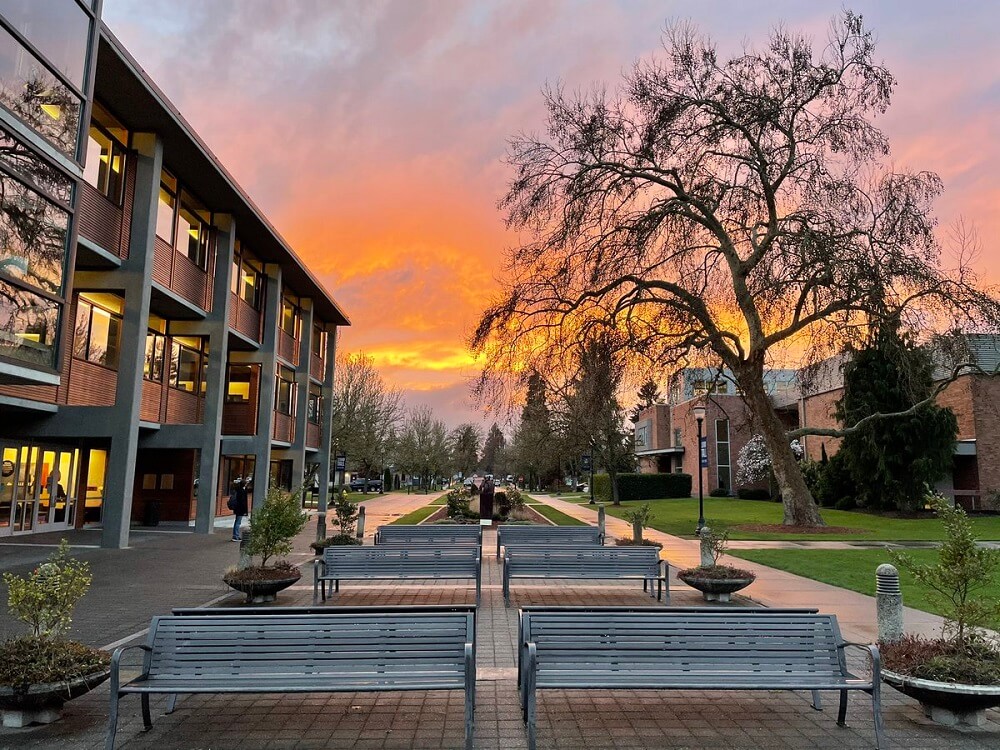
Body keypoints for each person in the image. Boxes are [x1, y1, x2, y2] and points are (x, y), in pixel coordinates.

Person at [230, 477, 249, 542]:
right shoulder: (242, 491)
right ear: (245, 484)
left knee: (237, 522)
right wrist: (245, 511)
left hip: (238, 509)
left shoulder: (238, 490)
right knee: (238, 522)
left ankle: (236, 535)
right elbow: (243, 502)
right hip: (240, 509)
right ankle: (235, 536)